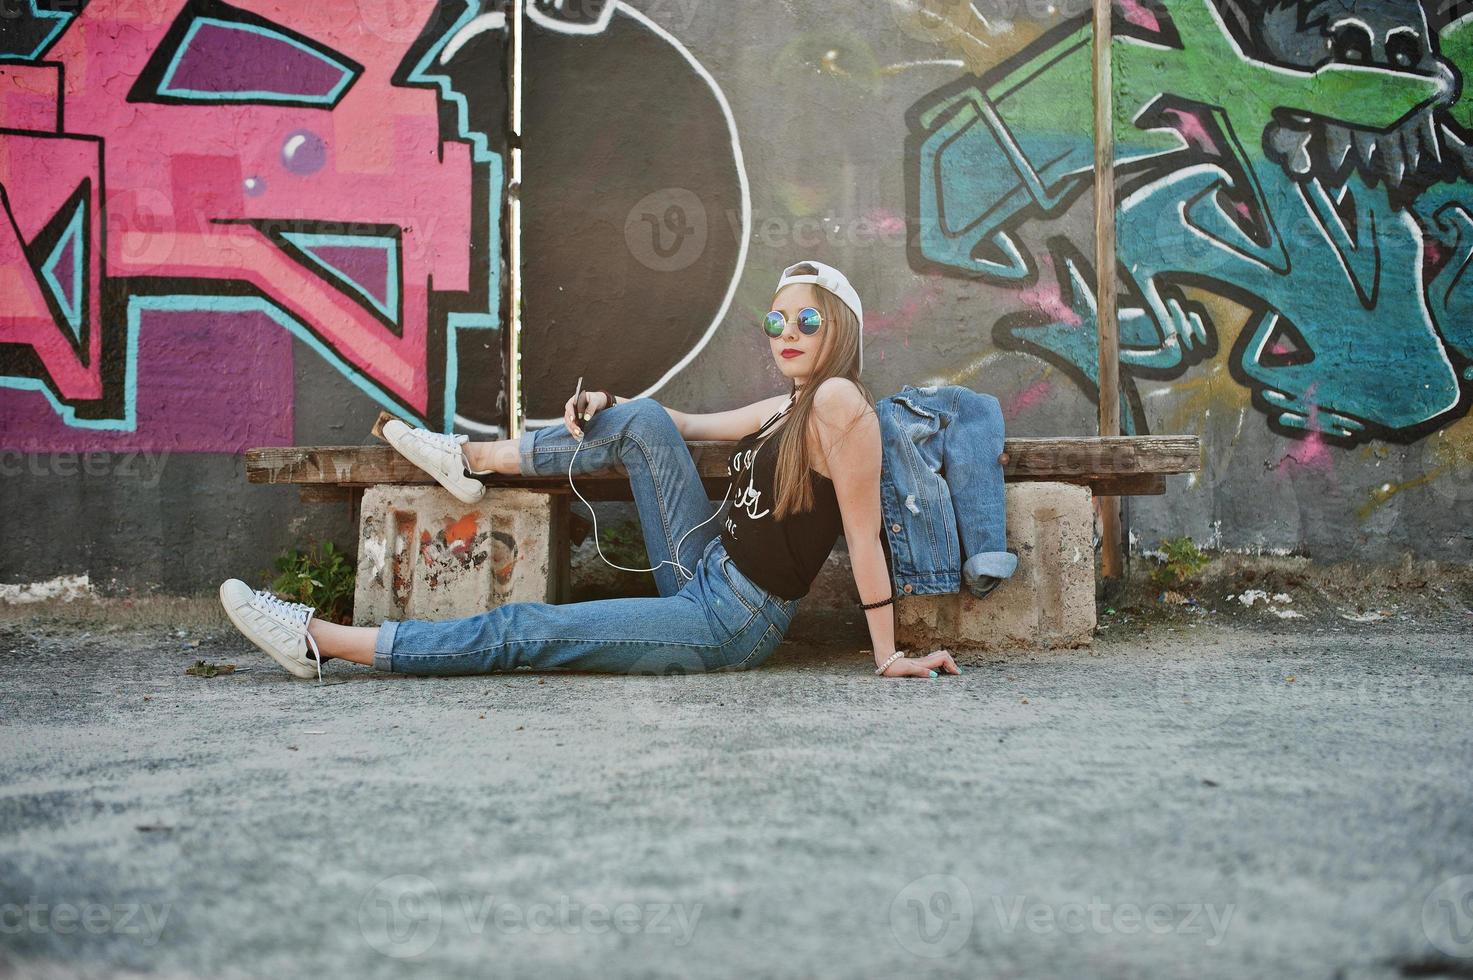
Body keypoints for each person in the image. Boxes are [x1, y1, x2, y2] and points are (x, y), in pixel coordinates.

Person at [218, 262, 960, 681]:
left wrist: (888, 655)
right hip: (701, 564)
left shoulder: (838, 404)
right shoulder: (793, 403)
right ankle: (470, 459)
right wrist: (610, 404)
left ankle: (325, 641)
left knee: (527, 628)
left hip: (729, 619)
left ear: (842, 330)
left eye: (807, 321)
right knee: (640, 418)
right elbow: (682, 426)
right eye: (775, 321)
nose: (787, 334)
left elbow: (863, 539)